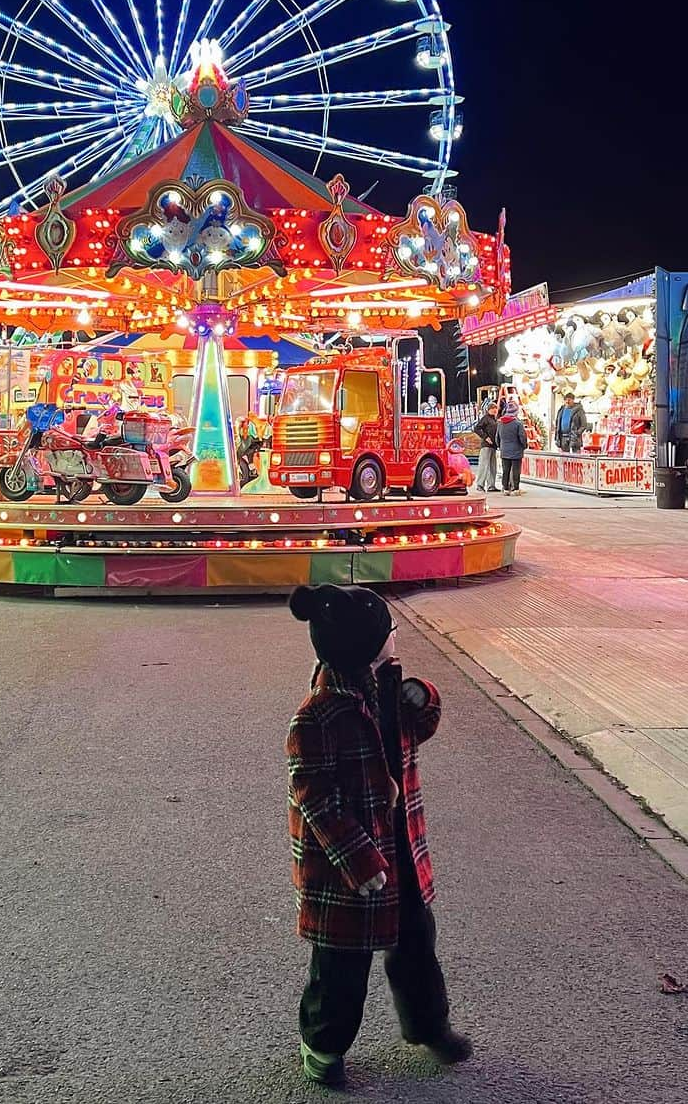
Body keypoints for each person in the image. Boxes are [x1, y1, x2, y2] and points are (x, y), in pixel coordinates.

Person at [286, 583, 471, 1087]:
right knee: (341, 963)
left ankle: (429, 1025)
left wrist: (424, 697)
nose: (396, 635)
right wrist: (358, 860)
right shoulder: (318, 715)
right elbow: (314, 798)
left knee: (416, 943)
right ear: (367, 643)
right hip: (347, 869)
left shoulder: (388, 690)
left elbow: (421, 729)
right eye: (390, 630)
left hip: (401, 851)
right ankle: (322, 1044)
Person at [496, 398, 527, 495]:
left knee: (506, 470)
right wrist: (524, 446)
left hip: (504, 450)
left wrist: (500, 446)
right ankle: (515, 489)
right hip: (516, 451)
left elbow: (497, 437)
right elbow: (522, 437)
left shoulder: (500, 422)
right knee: (515, 471)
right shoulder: (518, 423)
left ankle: (505, 488)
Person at [473, 402, 499, 492]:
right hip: (486, 446)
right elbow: (476, 428)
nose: (495, 409)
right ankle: (480, 484)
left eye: (495, 408)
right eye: (492, 408)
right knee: (484, 465)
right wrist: (485, 437)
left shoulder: (495, 419)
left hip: (493, 446)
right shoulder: (485, 419)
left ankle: (491, 485)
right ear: (488, 409)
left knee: (493, 466)